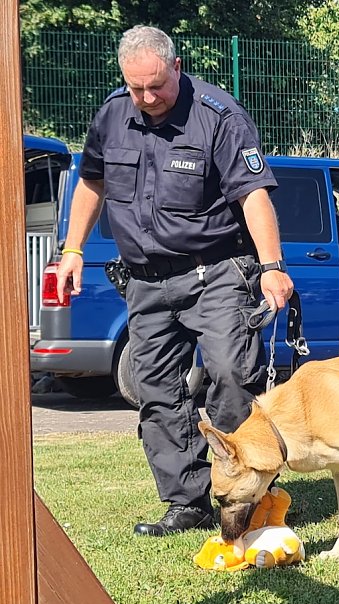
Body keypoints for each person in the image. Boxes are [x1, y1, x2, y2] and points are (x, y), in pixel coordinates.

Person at [55, 25, 294, 536]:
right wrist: (71, 249)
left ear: (177, 67)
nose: (147, 97)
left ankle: (243, 484)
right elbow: (91, 183)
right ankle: (188, 501)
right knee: (156, 388)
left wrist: (273, 267)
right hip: (145, 282)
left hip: (217, 273)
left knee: (232, 374)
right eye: (136, 87)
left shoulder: (218, 116)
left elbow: (253, 195)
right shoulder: (113, 115)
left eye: (156, 86)